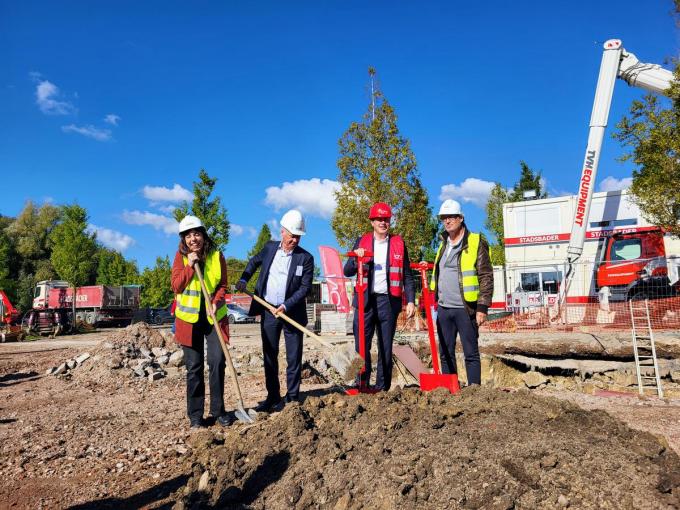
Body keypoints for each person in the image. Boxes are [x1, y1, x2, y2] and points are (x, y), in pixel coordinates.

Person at [236, 209, 314, 411]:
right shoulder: (270, 248)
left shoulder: (306, 259)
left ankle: (293, 398)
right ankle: (272, 397)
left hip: (292, 313)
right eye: (292, 235)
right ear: (282, 231)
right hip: (268, 310)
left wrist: (286, 305)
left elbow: (305, 288)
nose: (295, 240)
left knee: (293, 357)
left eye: (298, 236)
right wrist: (244, 278)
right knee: (270, 355)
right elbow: (254, 262)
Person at [343, 202, 415, 391]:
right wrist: (355, 258)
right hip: (365, 302)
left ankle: (382, 388)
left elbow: (407, 275)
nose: (383, 222)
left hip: (388, 302)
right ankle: (361, 384)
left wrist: (411, 300)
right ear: (372, 222)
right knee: (361, 345)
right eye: (379, 219)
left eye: (386, 219)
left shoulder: (398, 244)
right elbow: (347, 271)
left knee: (385, 346)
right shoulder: (361, 241)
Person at [171, 215, 232, 429]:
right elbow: (176, 286)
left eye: (196, 234)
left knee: (217, 362)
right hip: (189, 321)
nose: (193, 239)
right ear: (184, 240)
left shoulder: (217, 255)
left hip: (213, 317)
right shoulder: (181, 257)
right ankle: (195, 416)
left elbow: (223, 284)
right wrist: (190, 265)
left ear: (203, 235)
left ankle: (218, 411)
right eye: (188, 236)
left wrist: (215, 301)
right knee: (194, 368)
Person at [430, 199, 493, 386]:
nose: (447, 221)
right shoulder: (443, 244)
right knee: (445, 353)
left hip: (466, 308)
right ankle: (450, 389)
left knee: (470, 353)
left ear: (461, 218)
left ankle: (474, 391)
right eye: (444, 218)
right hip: (444, 308)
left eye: (451, 217)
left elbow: (486, 276)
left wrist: (482, 307)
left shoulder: (475, 241)